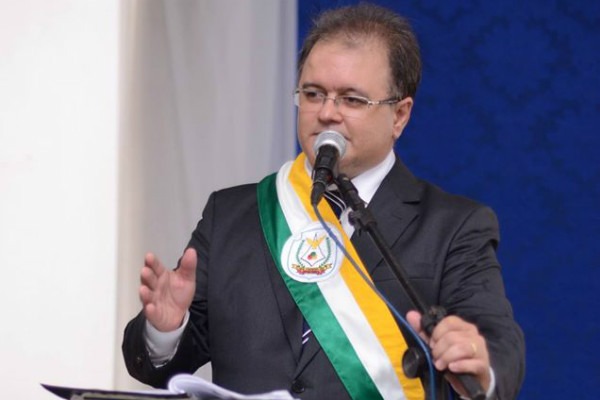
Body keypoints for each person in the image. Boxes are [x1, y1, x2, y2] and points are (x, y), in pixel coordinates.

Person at [122, 4, 525, 399]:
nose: (327, 113)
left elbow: (499, 350)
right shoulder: (230, 215)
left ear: (400, 116)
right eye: (313, 94)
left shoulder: (453, 226)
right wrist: (165, 329)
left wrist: (477, 361)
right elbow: (158, 366)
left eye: (352, 100)